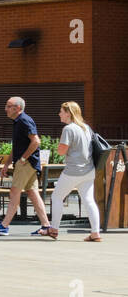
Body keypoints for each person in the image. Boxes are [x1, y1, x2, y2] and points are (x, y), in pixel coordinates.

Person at [0, 96, 53, 236]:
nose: (5, 109)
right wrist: (7, 164)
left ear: (17, 108)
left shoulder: (24, 120)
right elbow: (17, 146)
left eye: (9, 106)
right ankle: (46, 226)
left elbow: (36, 141)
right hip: (28, 163)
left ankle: (4, 226)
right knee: (32, 192)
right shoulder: (18, 122)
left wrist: (23, 158)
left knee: (14, 192)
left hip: (27, 163)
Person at [48, 102, 101, 242]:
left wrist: (59, 147)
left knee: (57, 197)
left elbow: (61, 151)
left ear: (68, 113)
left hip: (72, 170)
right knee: (89, 200)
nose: (59, 114)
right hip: (89, 170)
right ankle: (95, 233)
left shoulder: (68, 129)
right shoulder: (86, 128)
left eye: (61, 111)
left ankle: (54, 229)